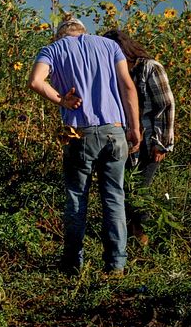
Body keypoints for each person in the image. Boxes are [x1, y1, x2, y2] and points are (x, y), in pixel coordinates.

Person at [28, 18, 141, 275]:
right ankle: (116, 265)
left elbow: (35, 81)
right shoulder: (110, 46)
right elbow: (127, 86)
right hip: (115, 131)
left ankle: (72, 265)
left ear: (59, 35)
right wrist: (134, 127)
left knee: (77, 198)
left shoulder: (53, 50)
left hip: (80, 133)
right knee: (114, 197)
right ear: (84, 32)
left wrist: (61, 100)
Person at [102, 29, 175, 245]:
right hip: (127, 142)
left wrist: (161, 144)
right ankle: (132, 239)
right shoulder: (118, 72)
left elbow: (166, 105)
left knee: (140, 192)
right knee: (126, 191)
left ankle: (146, 240)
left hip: (151, 140)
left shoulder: (150, 68)